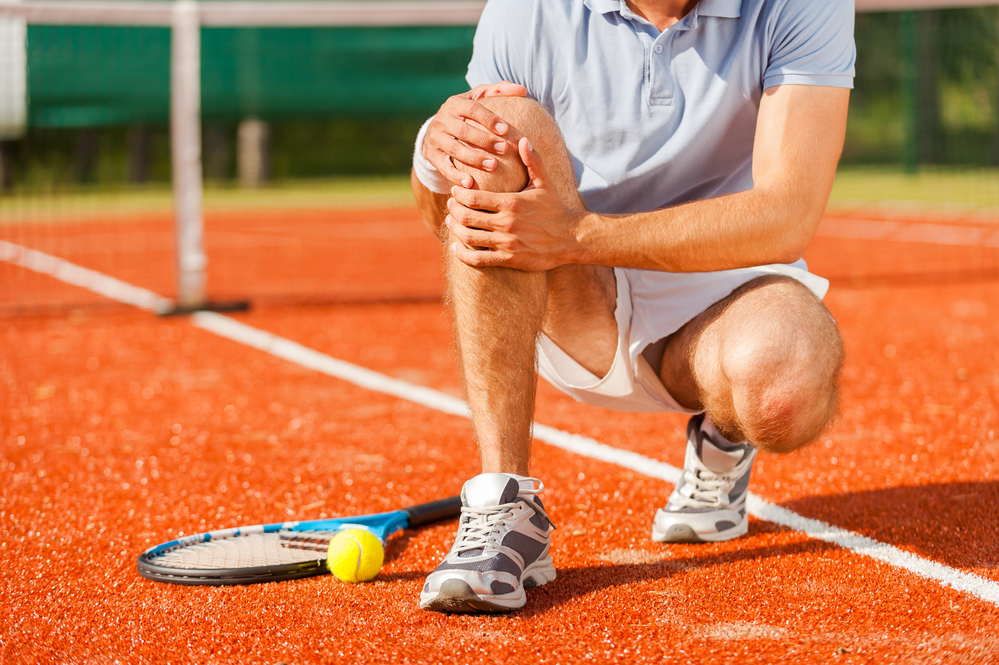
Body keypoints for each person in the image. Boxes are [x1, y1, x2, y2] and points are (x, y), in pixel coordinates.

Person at [410, 0, 854, 613]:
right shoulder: (526, 9)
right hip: (568, 291)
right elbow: (449, 218)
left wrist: (576, 232)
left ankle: (722, 441)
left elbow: (787, 214)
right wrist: (435, 156)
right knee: (500, 124)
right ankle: (504, 501)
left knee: (786, 383)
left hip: (720, 290)